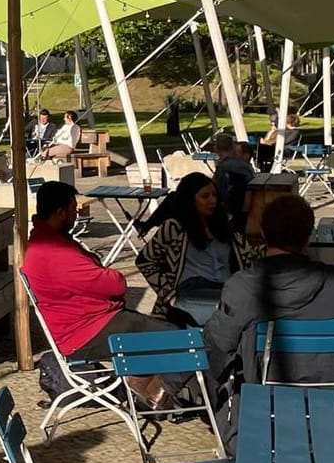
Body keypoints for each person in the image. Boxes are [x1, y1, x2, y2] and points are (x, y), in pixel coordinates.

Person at [203, 194, 334, 444]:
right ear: (308, 238)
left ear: (263, 234)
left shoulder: (243, 286)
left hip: (261, 415)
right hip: (329, 409)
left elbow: (219, 343)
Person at [21, 181, 182, 405]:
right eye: (73, 209)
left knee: (167, 332)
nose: (76, 214)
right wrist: (109, 274)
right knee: (182, 342)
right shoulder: (54, 252)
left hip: (90, 322)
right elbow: (114, 285)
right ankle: (154, 389)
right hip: (86, 332)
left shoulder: (46, 241)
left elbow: (94, 276)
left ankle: (148, 382)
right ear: (59, 212)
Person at [136, 173, 261, 326]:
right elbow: (144, 260)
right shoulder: (175, 227)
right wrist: (168, 294)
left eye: (215, 195)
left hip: (224, 289)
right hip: (190, 292)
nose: (212, 201)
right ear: (190, 198)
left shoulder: (226, 226)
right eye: (205, 196)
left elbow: (250, 255)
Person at [211, 133, 255, 232]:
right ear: (233, 147)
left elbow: (215, 191)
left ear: (216, 148)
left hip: (229, 214)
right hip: (248, 210)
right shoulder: (246, 166)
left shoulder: (223, 169)